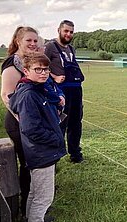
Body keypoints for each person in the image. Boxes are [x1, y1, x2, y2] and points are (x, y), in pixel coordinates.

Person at [9, 53, 66, 222]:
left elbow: (50, 103)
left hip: (41, 151)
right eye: (38, 69)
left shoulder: (38, 89)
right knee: (44, 197)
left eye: (46, 69)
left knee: (34, 192)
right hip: (41, 152)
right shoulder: (29, 95)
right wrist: (55, 139)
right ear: (26, 71)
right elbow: (31, 129)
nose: (43, 73)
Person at [1, 26, 38, 220]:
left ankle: (32, 211)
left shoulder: (26, 61)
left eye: (35, 41)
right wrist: (25, 122)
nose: (33, 44)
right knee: (27, 166)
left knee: (32, 166)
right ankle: (27, 214)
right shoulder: (12, 63)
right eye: (28, 41)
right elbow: (7, 96)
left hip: (29, 123)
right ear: (18, 41)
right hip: (19, 125)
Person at [45, 20, 85, 163]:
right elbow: (39, 66)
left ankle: (75, 153)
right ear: (59, 30)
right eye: (66, 31)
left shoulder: (71, 49)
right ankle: (56, 155)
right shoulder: (50, 47)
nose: (68, 34)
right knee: (60, 122)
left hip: (76, 90)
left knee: (76, 122)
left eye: (71, 32)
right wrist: (54, 77)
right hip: (61, 91)